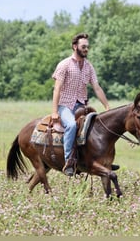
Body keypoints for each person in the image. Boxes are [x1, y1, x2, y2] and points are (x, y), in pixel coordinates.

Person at [52, 33, 110, 176]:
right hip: (65, 105)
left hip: (81, 105)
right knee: (71, 125)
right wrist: (54, 112)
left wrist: (107, 108)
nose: (86, 49)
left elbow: (97, 87)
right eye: (83, 47)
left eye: (87, 47)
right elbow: (57, 88)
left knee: (97, 126)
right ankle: (69, 162)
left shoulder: (89, 67)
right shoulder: (64, 64)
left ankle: (100, 159)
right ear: (74, 46)